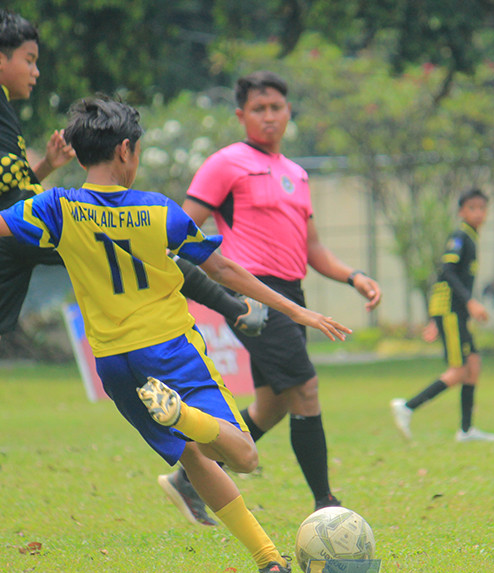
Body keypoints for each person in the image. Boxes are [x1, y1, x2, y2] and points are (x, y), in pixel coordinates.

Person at [0, 95, 351, 573]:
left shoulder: (57, 206)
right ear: (125, 150)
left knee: (193, 456)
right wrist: (295, 309)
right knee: (242, 454)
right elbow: (224, 270)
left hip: (115, 365)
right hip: (170, 350)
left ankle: (268, 560)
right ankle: (184, 415)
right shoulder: (157, 210)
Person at [0, 8, 265, 533]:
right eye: (29, 60)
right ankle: (235, 307)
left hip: (4, 235)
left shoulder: (2, 108)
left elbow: (7, 188)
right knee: (143, 250)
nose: (35, 71)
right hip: (14, 224)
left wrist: (46, 166)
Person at [157, 71, 382, 527]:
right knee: (306, 388)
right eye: (258, 109)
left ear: (288, 111)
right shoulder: (226, 163)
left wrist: (353, 276)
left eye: (276, 107)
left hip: (291, 292)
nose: (269, 116)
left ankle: (190, 474)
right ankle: (325, 503)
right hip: (252, 294)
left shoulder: (297, 174)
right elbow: (180, 228)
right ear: (241, 115)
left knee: (273, 405)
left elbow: (313, 249)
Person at [390, 188, 494, 443]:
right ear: (461, 211)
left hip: (453, 311)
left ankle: (466, 431)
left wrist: (435, 318)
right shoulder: (460, 237)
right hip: (451, 311)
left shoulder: (471, 237)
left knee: (474, 365)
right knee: (459, 370)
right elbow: (446, 272)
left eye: (482, 208)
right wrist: (467, 303)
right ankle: (407, 407)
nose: (478, 213)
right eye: (472, 208)